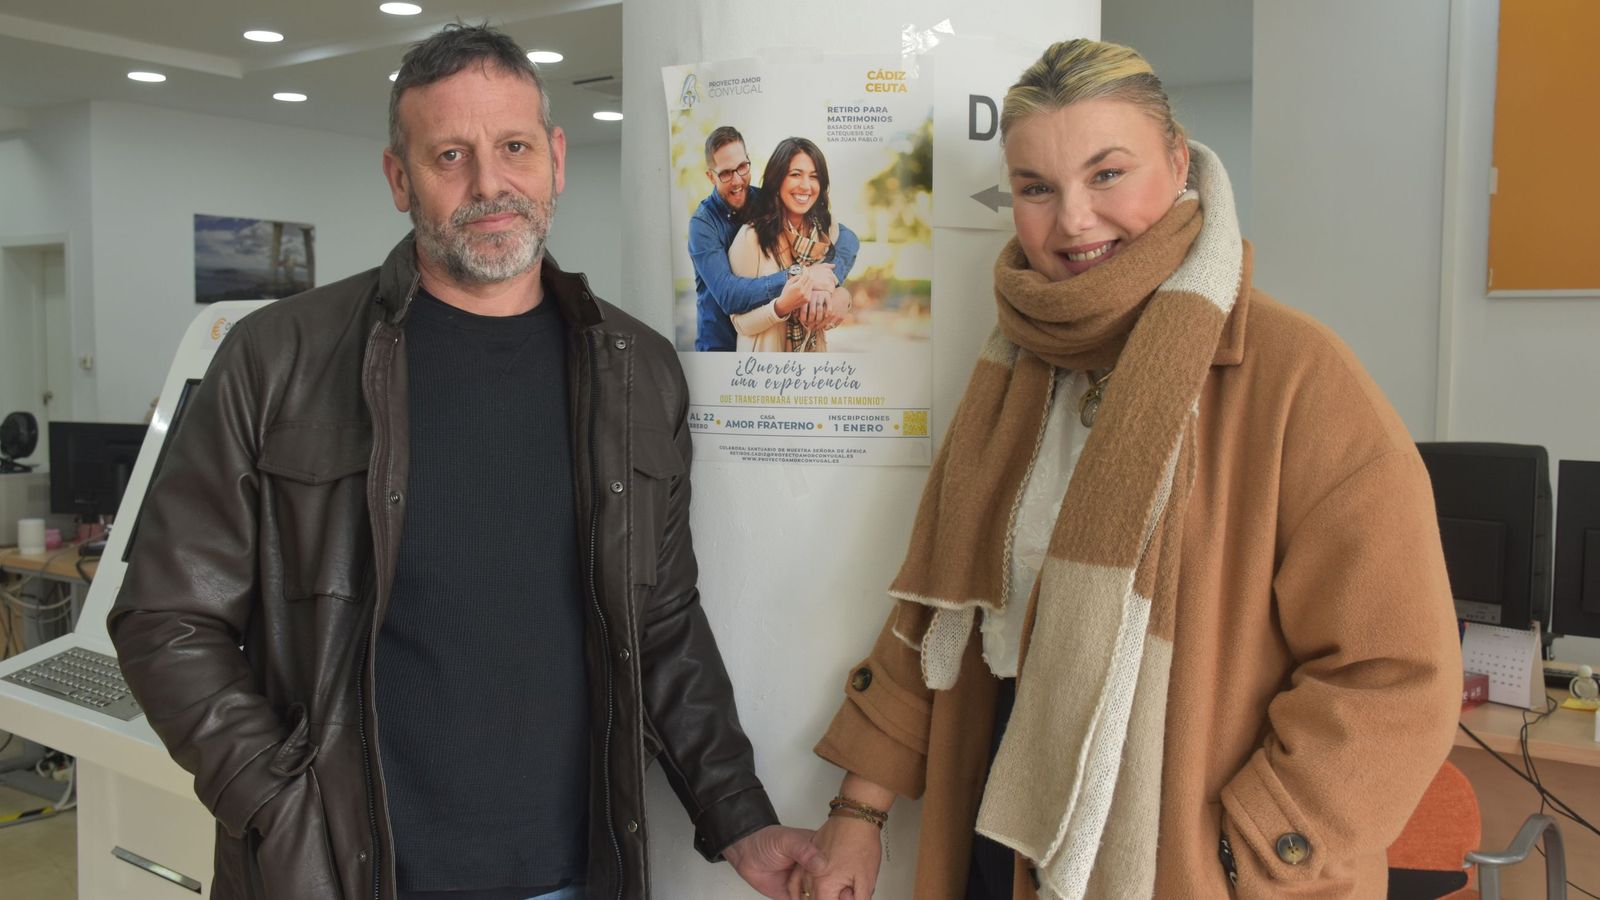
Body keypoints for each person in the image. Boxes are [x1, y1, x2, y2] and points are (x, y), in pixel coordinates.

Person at [108, 24, 822, 900]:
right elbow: (164, 618)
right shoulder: (277, 360)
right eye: (451, 154)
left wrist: (739, 816)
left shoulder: (636, 371)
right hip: (346, 875)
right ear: (399, 177)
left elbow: (662, 622)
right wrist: (276, 802)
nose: (491, 183)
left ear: (555, 158)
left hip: (570, 875)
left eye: (514, 146)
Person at [795, 39, 1461, 900]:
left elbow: (1396, 671)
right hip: (999, 835)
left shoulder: (1298, 377)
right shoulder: (1011, 375)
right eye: (1036, 188)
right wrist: (860, 812)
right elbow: (937, 611)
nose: (1072, 221)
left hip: (1183, 860)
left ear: (1178, 161)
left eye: (1107, 174)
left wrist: (1255, 844)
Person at [689, 127, 859, 351]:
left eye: (742, 167)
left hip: (777, 343)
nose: (738, 180)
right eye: (725, 173)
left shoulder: (768, 202)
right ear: (711, 176)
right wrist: (801, 277)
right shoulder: (703, 225)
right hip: (720, 345)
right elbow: (729, 295)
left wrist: (831, 286)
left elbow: (847, 237)